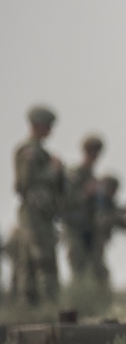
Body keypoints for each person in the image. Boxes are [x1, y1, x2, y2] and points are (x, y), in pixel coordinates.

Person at [12, 105, 66, 305]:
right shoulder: (30, 151)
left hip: (41, 213)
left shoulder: (40, 151)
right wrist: (53, 170)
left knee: (30, 259)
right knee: (41, 258)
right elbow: (27, 181)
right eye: (47, 126)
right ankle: (45, 302)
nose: (50, 131)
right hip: (35, 213)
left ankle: (30, 304)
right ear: (37, 125)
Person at [62, 134, 104, 284]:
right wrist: (86, 192)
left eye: (97, 152)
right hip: (75, 228)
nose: (95, 156)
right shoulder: (75, 174)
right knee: (78, 269)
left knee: (96, 270)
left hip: (89, 227)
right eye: (92, 152)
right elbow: (66, 201)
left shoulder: (91, 175)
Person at [90, 174, 126, 294]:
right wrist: (118, 216)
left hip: (98, 245)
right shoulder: (97, 203)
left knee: (101, 274)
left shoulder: (108, 204)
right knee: (96, 274)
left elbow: (124, 225)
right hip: (88, 244)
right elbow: (101, 222)